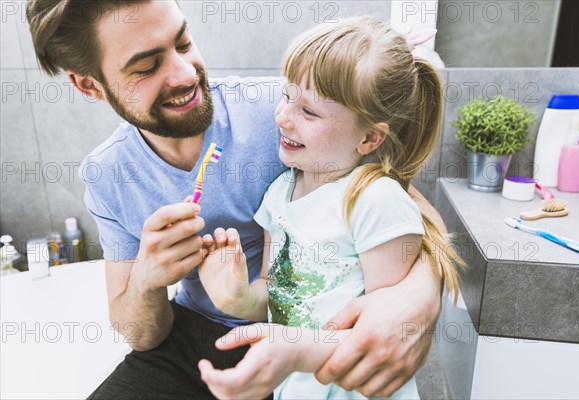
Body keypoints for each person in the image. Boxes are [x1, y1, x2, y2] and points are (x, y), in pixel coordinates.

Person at [26, 1, 449, 398]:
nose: (185, 74)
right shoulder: (107, 174)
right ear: (89, 85)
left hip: (302, 341)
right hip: (194, 338)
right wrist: (147, 279)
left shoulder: (281, 110)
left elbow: (413, 212)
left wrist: (413, 303)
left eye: (183, 43)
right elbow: (140, 334)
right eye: (147, 66)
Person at [196, 16, 463, 399]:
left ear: (369, 137)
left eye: (309, 111)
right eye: (287, 95)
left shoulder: (374, 200)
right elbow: (274, 293)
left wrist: (295, 353)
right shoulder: (278, 194)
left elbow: (385, 336)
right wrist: (235, 296)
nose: (283, 116)